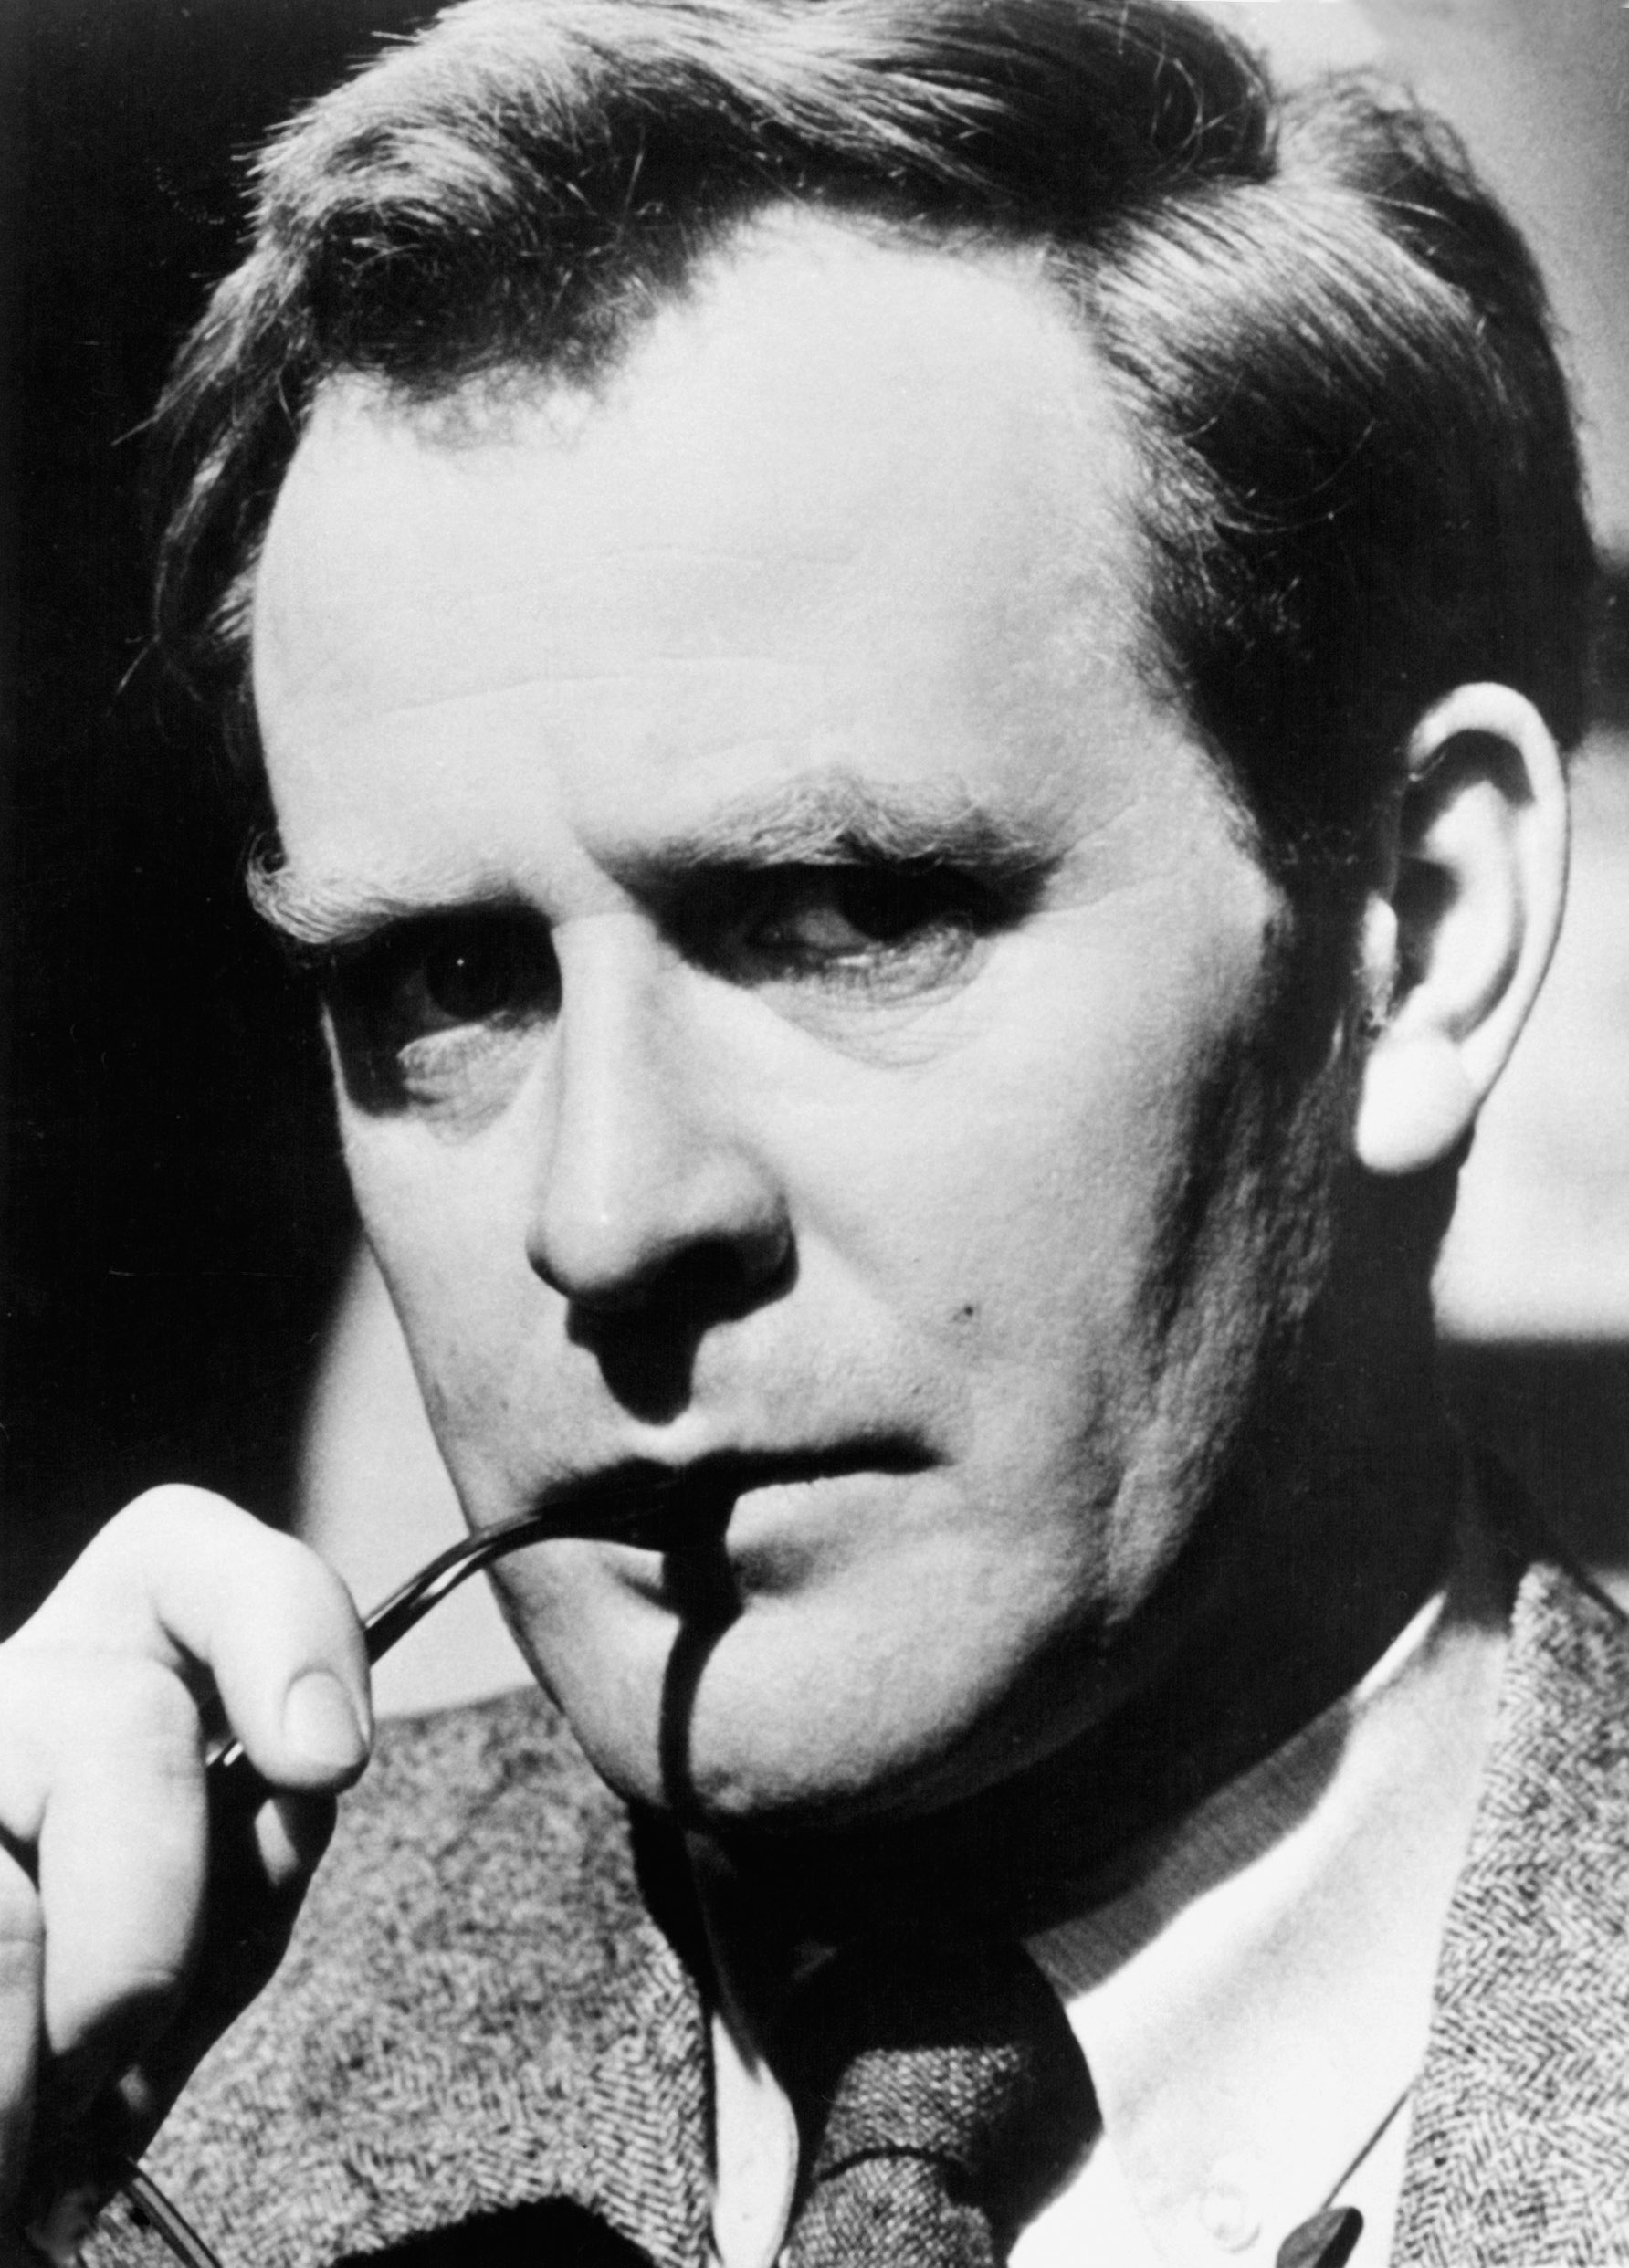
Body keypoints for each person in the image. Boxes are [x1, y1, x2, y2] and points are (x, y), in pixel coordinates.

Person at [1, 1, 1620, 2263]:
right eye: (445, 984)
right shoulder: (121, 2127)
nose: (608, 1218)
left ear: (1420, 932)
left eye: (846, 917)